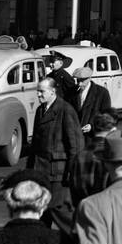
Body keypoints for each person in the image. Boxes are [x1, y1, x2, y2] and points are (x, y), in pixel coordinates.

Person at [26, 74, 82, 219]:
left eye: (42, 91)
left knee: (60, 213)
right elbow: (35, 145)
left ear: (52, 92)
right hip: (40, 171)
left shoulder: (65, 110)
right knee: (42, 213)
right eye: (37, 91)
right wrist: (28, 171)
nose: (38, 94)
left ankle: (76, 240)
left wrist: (71, 172)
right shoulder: (40, 110)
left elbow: (75, 145)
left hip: (58, 173)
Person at [72, 66, 111, 134]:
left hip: (92, 137)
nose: (79, 84)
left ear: (90, 78)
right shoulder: (72, 92)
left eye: (82, 80)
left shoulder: (102, 93)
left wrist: (92, 126)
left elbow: (106, 116)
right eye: (78, 80)